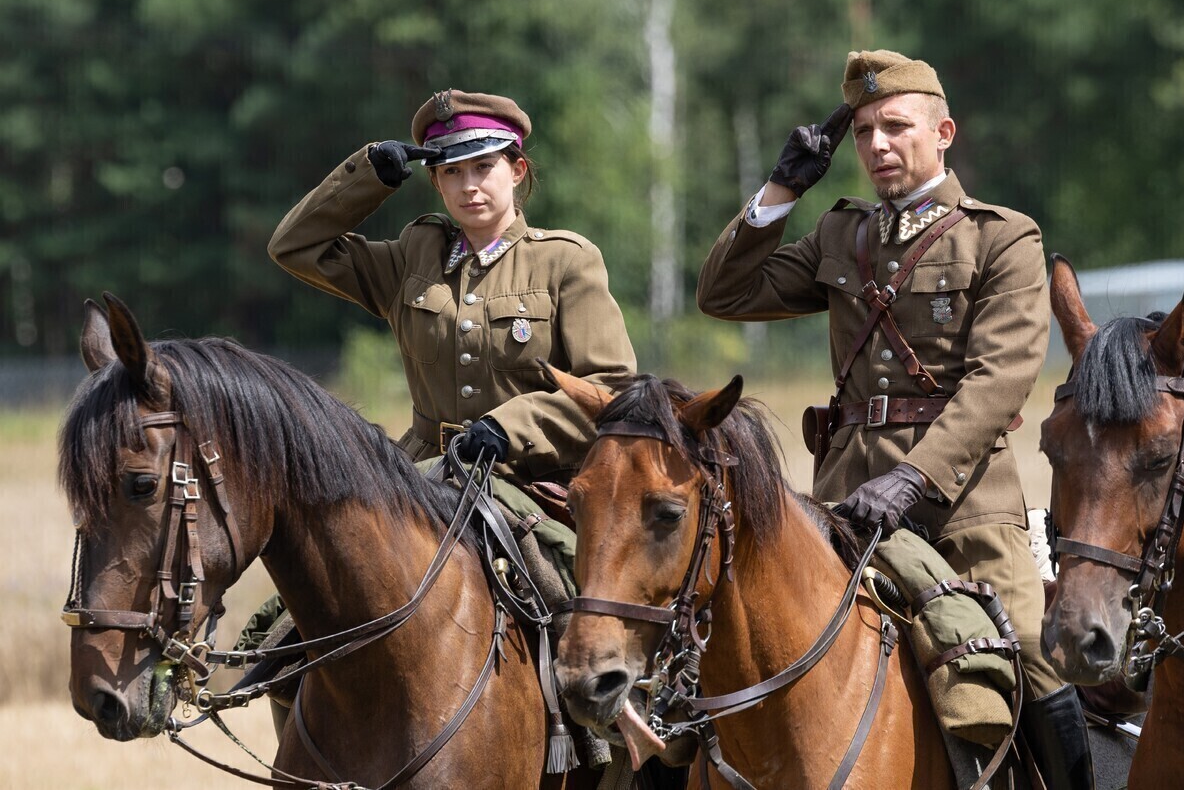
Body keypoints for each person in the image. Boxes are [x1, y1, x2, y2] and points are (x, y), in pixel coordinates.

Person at [696, 50, 1092, 789]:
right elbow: (725, 293)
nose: (877, 145)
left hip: (964, 512)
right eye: (865, 132)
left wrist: (912, 478)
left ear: (943, 132)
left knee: (1034, 652)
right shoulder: (842, 236)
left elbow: (998, 381)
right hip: (842, 509)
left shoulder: (1002, 238)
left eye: (896, 127)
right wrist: (781, 190)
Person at [269, 89, 636, 487]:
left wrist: (509, 429)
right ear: (435, 182)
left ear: (517, 170)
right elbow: (293, 246)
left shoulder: (565, 260)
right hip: (424, 479)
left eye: (483, 166)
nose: (468, 186)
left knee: (562, 552)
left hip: (533, 481)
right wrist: (369, 176)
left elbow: (609, 389)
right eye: (452, 171)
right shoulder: (414, 255)